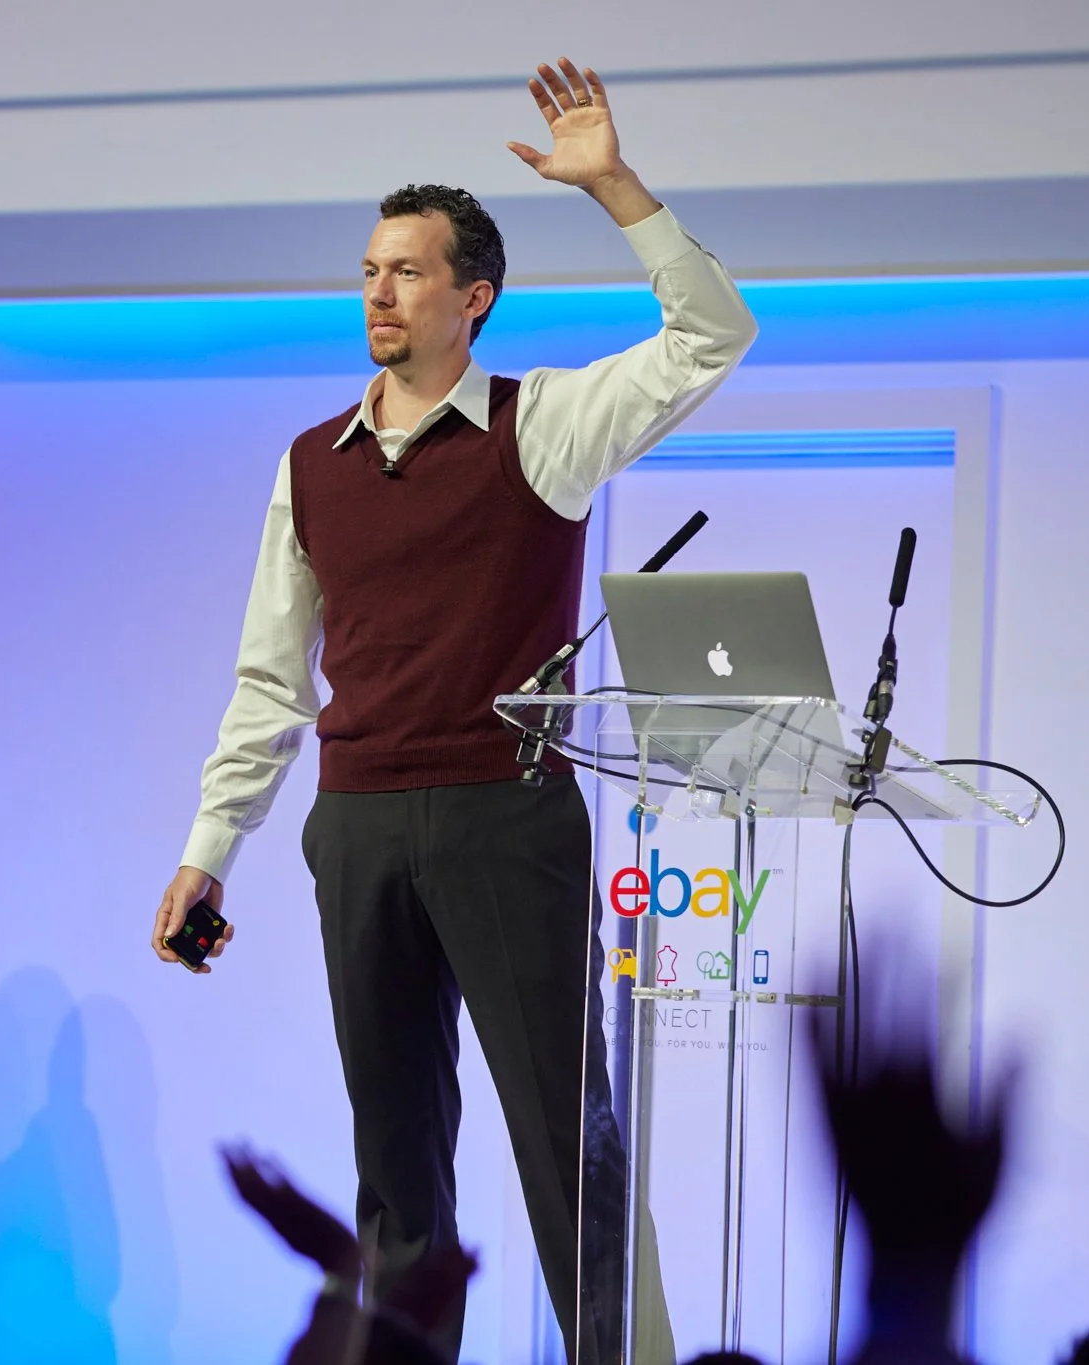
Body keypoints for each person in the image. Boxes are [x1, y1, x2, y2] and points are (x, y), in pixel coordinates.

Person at [150, 59, 756, 1365]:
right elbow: (271, 679)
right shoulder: (310, 462)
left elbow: (713, 335)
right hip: (358, 825)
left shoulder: (543, 425)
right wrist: (210, 851)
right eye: (369, 269)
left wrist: (614, 188)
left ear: (472, 298)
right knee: (396, 1173)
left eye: (408, 271)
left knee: (565, 1148)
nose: (378, 290)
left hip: (505, 816)